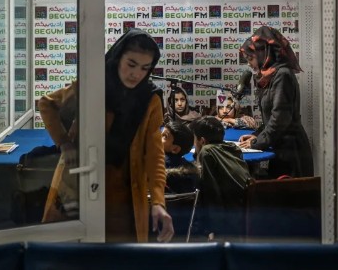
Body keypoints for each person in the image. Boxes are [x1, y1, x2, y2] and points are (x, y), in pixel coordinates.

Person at [38, 28, 174, 242]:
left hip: (124, 196)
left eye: (144, 68)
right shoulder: (93, 85)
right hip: (80, 186)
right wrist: (64, 143)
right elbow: (47, 104)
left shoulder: (150, 99)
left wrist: (158, 202)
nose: (136, 74)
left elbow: (154, 155)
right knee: (70, 252)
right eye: (131, 64)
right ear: (118, 57)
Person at [237, 26, 314, 179]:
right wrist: (256, 136)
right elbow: (270, 119)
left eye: (250, 59)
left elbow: (280, 119)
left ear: (263, 54)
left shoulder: (282, 75)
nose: (249, 64)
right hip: (280, 149)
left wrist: (256, 143)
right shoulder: (270, 76)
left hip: (291, 154)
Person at [189, 116, 252, 241]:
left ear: (202, 140)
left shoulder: (207, 152)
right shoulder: (233, 148)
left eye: (194, 139)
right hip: (247, 210)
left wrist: (213, 229)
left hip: (230, 219)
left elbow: (211, 192)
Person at [161, 121, 199, 195]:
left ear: (175, 149)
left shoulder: (158, 165)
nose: (158, 137)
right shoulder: (191, 169)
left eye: (164, 136)